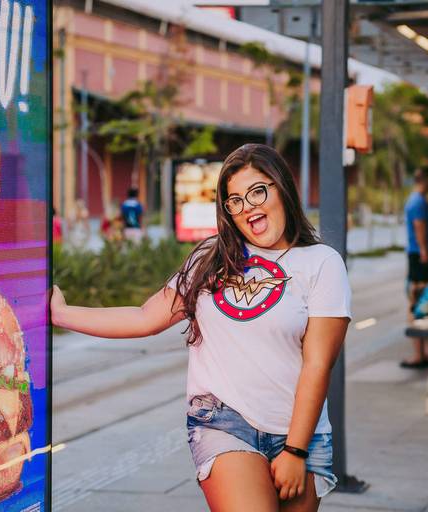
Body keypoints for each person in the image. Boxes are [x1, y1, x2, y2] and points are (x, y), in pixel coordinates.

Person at [51, 144, 351, 511]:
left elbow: (318, 364)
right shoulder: (211, 259)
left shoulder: (321, 263)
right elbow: (145, 318)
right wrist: (62, 315)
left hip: (300, 432)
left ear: (283, 189)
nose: (248, 207)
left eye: (258, 191)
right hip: (224, 423)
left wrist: (295, 449)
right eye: (235, 201)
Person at [401, 166, 428, 369]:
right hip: (420, 257)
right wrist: (425, 251)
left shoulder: (418, 200)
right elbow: (419, 225)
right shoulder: (418, 202)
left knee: (426, 302)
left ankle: (426, 353)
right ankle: (419, 354)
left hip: (420, 256)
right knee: (418, 302)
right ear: (425, 179)